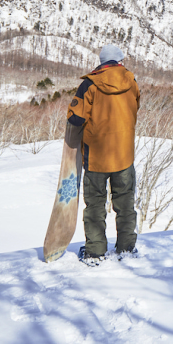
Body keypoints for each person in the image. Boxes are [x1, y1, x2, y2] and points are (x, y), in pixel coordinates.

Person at [66, 43, 141, 266]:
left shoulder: (90, 84)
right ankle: (126, 248)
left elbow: (75, 119)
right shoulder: (131, 81)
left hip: (96, 155)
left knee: (96, 206)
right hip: (124, 155)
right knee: (125, 204)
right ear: (120, 61)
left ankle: (95, 251)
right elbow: (136, 107)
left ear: (101, 61)